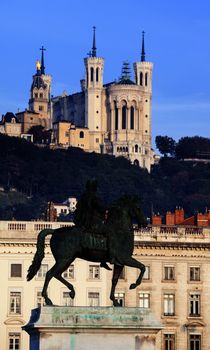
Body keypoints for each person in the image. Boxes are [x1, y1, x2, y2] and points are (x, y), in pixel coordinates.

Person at [74, 180, 111, 270]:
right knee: (109, 232)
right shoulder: (93, 197)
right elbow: (101, 207)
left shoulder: (84, 196)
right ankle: (105, 258)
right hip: (92, 221)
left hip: (83, 221)